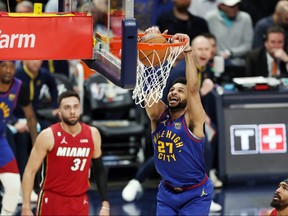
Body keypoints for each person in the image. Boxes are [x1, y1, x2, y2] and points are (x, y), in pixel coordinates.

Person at [141, 27, 213, 215]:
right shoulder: (158, 116)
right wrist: (152, 46)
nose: (174, 92)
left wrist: (188, 50)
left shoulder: (193, 119)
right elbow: (148, 91)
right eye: (172, 90)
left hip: (196, 193)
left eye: (180, 91)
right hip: (166, 192)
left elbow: (193, 89)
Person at [21, 90, 110, 216]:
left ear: (80, 108)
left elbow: (99, 169)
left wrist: (105, 205)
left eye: (75, 107)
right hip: (52, 200)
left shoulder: (93, 134)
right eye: (67, 108)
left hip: (80, 201)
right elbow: (30, 171)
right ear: (59, 111)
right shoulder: (48, 135)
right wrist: (26, 207)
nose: (72, 111)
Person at [0, 60, 38, 215]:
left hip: (1, 141)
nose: (8, 70)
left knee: (14, 187)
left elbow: (30, 117)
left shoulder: (18, 86)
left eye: (11, 66)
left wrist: (37, 146)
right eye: (3, 66)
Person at [205, 0, 253, 66]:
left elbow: (247, 46)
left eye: (237, 5)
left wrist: (230, 52)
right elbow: (207, 42)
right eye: (231, 6)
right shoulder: (210, 18)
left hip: (240, 64)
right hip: (215, 62)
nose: (235, 9)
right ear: (221, 6)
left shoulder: (245, 18)